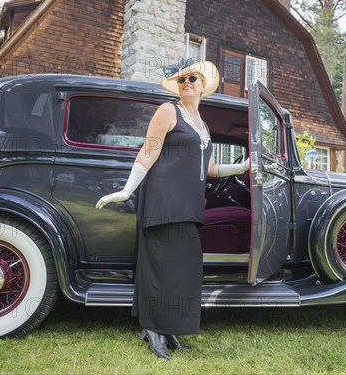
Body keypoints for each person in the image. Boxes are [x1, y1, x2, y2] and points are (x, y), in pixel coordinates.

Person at [95, 59, 249, 360]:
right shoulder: (168, 111)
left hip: (190, 205)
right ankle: (153, 329)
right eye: (181, 80)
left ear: (203, 85)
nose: (187, 83)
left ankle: (170, 327)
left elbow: (212, 169)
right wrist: (127, 189)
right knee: (160, 266)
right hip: (163, 200)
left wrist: (242, 166)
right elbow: (149, 150)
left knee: (184, 269)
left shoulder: (203, 125)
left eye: (192, 78)